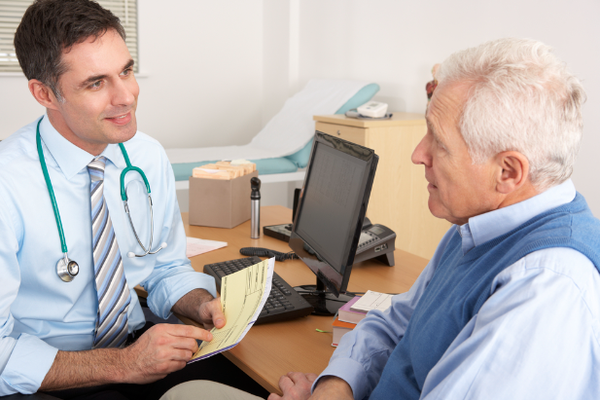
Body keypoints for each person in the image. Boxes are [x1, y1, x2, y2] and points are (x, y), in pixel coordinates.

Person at [267, 38, 600, 399]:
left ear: (507, 171)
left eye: (439, 142)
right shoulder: (478, 227)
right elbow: (397, 325)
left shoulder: (544, 290)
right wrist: (336, 386)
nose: (417, 154)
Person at [0, 1, 267, 399]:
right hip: (43, 377)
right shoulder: (8, 182)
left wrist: (198, 302)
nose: (126, 97)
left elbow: (165, 267)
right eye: (96, 83)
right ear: (45, 94)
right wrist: (124, 365)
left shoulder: (144, 155)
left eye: (126, 71)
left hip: (135, 347)